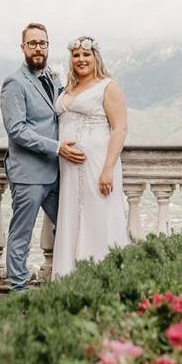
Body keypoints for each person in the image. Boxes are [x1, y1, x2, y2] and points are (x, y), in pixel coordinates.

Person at [0, 22, 86, 292]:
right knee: (21, 235)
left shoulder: (53, 77)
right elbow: (17, 130)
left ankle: (68, 279)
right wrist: (57, 147)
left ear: (48, 47)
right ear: (23, 47)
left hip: (56, 172)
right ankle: (19, 290)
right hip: (28, 174)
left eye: (43, 43)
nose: (38, 48)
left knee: (71, 226)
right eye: (33, 43)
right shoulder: (14, 83)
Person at [52, 35, 129, 279]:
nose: (81, 59)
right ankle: (69, 277)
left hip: (98, 165)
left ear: (96, 57)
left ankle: (102, 277)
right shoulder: (67, 88)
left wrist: (107, 169)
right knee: (72, 217)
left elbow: (119, 129)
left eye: (86, 54)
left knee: (100, 217)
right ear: (71, 59)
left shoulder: (108, 86)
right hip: (69, 169)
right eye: (76, 55)